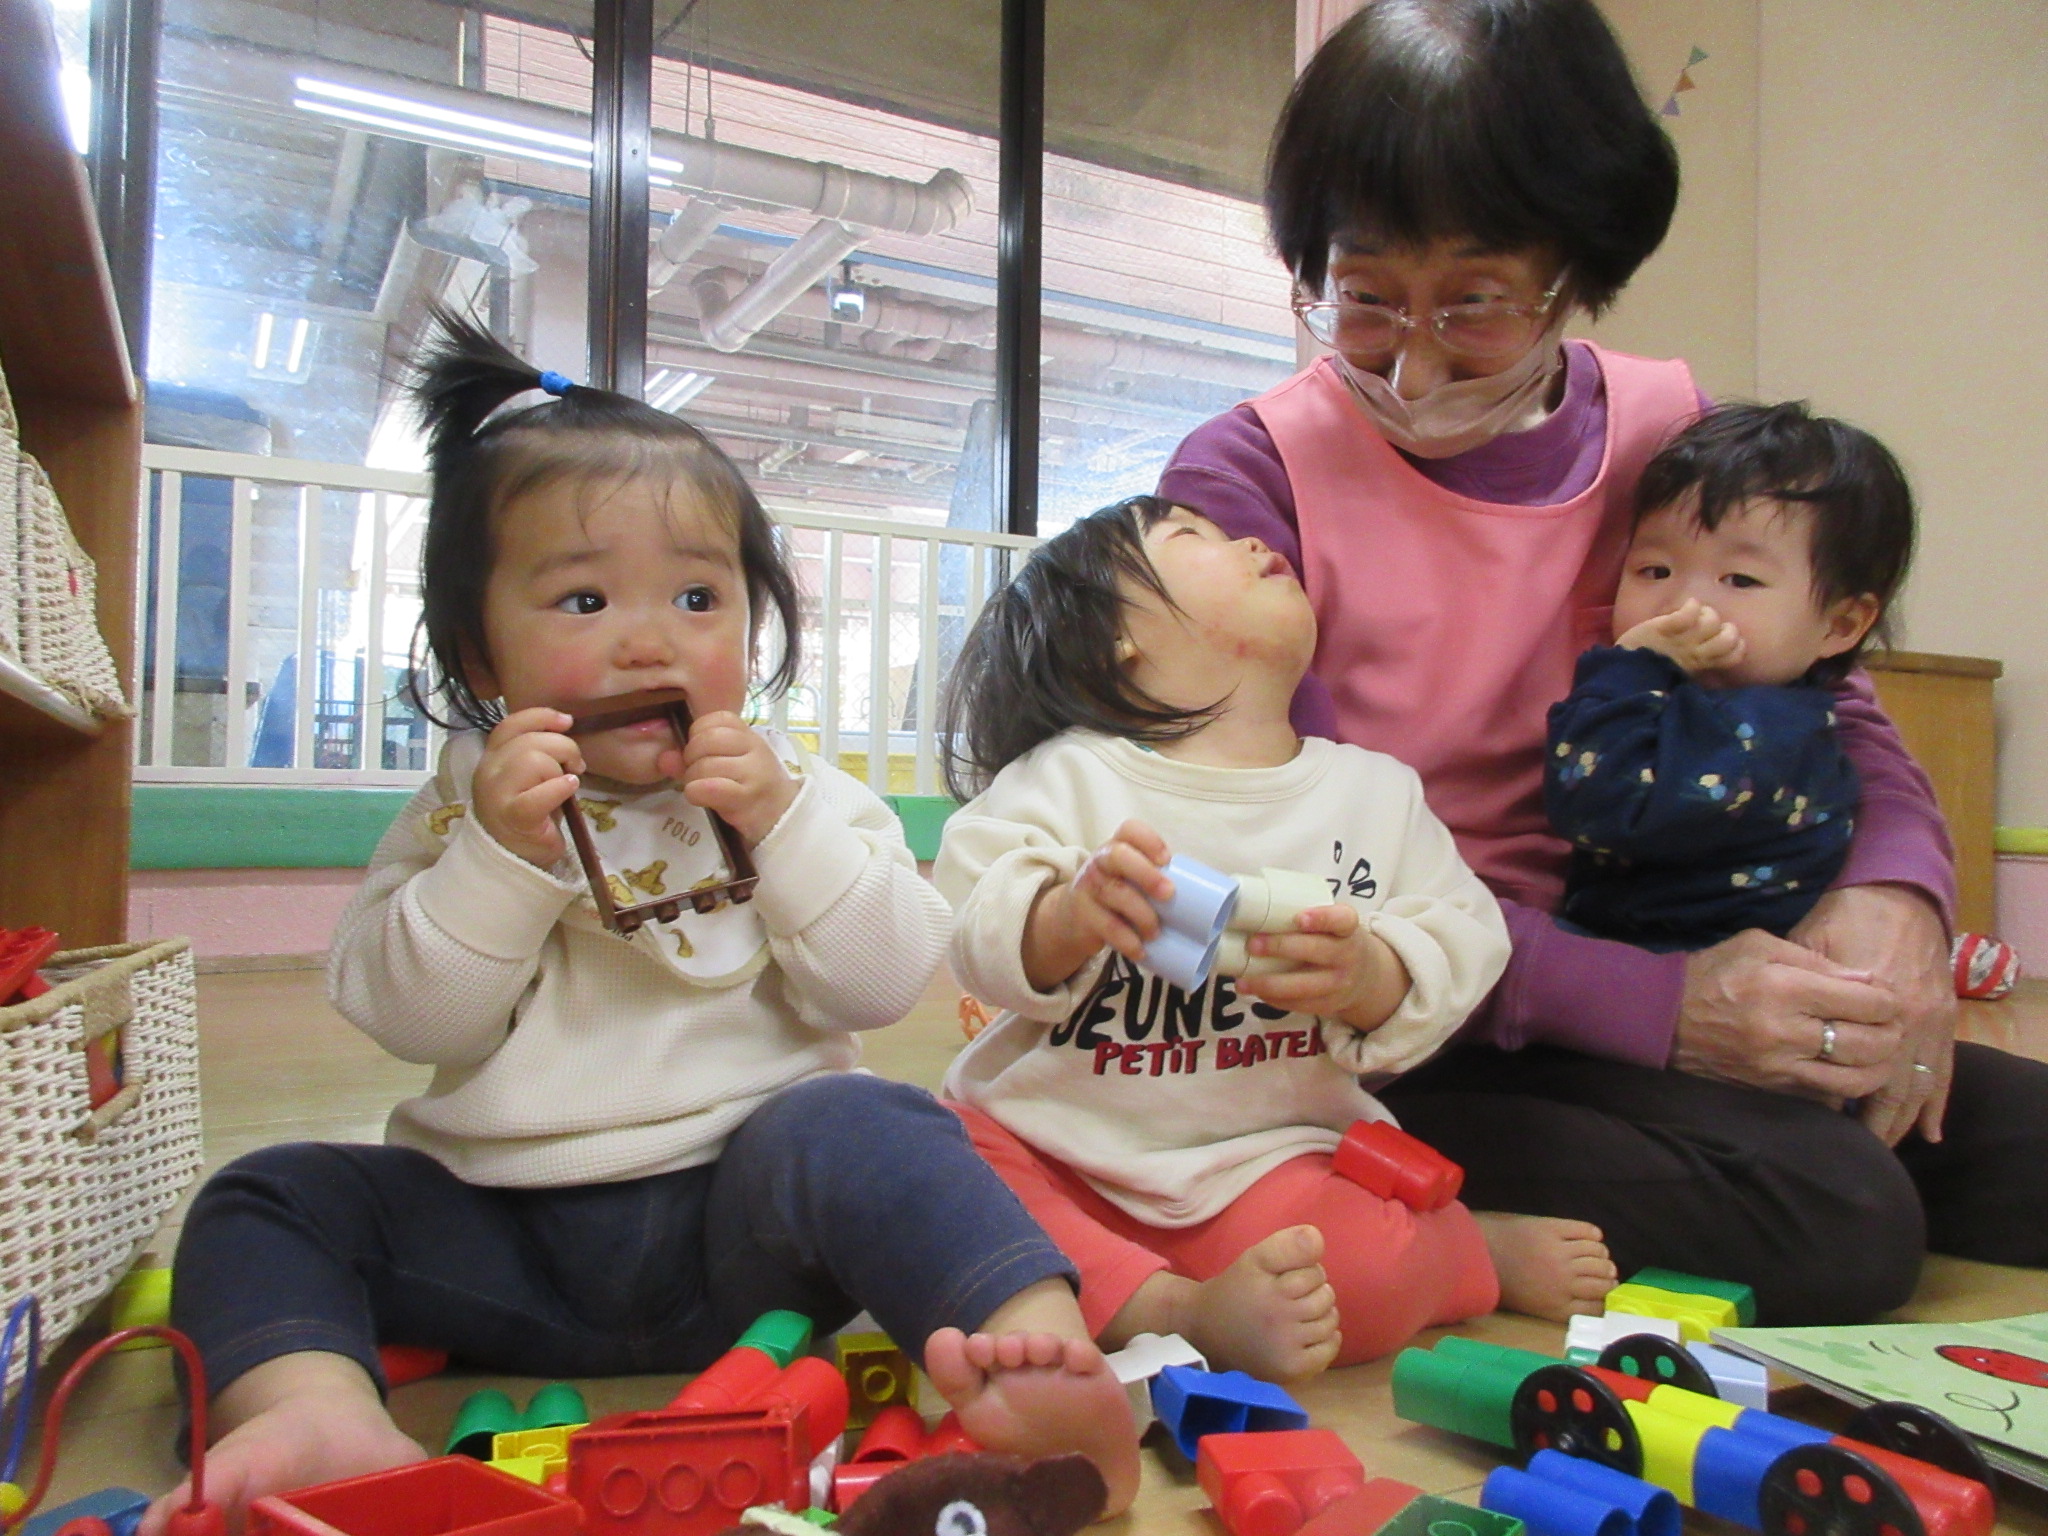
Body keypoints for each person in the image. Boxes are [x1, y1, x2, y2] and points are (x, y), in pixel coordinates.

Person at [143, 311, 1139, 1535]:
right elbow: (408, 1016)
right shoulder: (467, 807)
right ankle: (313, 1411)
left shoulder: (799, 796)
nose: (646, 635)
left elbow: (881, 984)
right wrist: (504, 864)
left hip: (749, 1230)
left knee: (870, 1116)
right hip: (502, 1240)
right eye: (578, 597)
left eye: (694, 595)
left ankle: (1026, 1348)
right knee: (265, 1194)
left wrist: (783, 835)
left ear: (750, 627)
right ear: (481, 651)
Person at [1156, 0, 2048, 1323]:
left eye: (1476, 303)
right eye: (1363, 298)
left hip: (1652, 946)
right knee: (1843, 1220)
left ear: (1572, 274)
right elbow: (1299, 862)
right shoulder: (1244, 482)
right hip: (1398, 1008)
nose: (1412, 360)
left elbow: (1828, 700)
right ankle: (1340, 1184)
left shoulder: (1665, 430)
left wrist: (1899, 907)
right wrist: (1666, 1010)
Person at [934, 495, 1615, 1387]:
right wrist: (1067, 915)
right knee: (934, 1170)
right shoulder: (1072, 774)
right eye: (1192, 539)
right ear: (1116, 644)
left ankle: (1465, 1250)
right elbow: (973, 899)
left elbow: (1464, 934)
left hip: (1265, 1166)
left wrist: (1372, 974)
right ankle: (1176, 1312)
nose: (1251, 541)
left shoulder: (1374, 793)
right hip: (1057, 1151)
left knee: (1358, 1275)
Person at [1546, 402, 1913, 949]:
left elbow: (1601, 805)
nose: (1684, 603)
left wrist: (1628, 670)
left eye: (1739, 579)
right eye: (1655, 570)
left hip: (1708, 980)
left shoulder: (1770, 733)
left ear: (1840, 624)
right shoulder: (1689, 703)